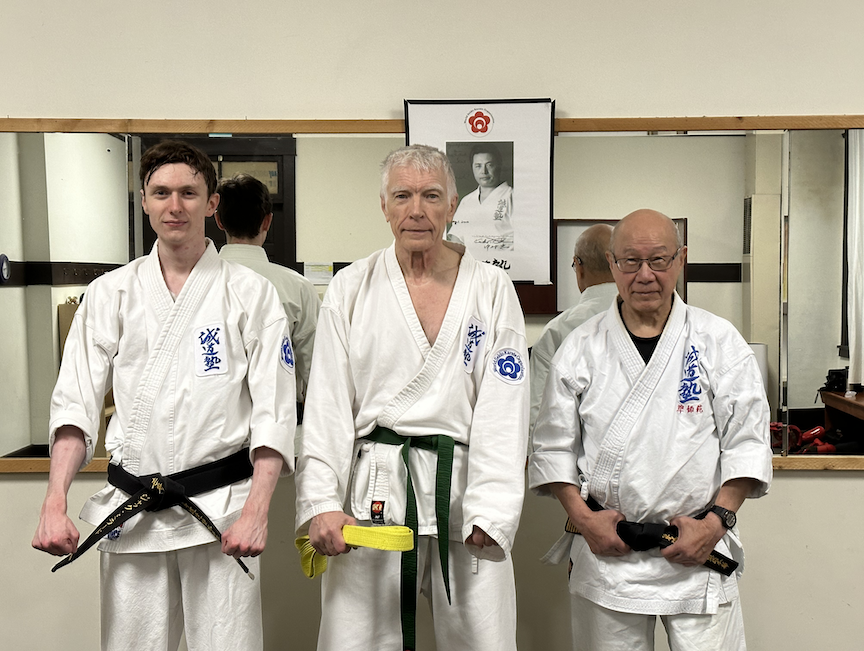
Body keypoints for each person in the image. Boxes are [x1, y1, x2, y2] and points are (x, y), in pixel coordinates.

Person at [32, 140, 296, 651]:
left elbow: (274, 412)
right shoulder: (110, 292)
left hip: (221, 510)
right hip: (135, 509)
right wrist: (54, 500)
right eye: (161, 193)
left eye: (189, 193)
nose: (175, 206)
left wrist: (257, 510)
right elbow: (74, 406)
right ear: (144, 201)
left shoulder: (250, 293)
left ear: (212, 203)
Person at [295, 144, 529, 651]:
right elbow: (328, 407)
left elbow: (504, 410)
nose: (416, 210)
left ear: (453, 205)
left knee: (482, 642)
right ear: (384, 206)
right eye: (402, 196)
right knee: (355, 642)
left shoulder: (491, 289)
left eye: (431, 196)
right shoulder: (350, 287)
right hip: (374, 493)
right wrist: (321, 502)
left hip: (464, 494)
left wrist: (493, 508)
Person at [528, 209, 772, 651]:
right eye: (630, 261)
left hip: (698, 546)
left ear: (680, 259)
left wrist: (716, 523)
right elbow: (552, 448)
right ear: (612, 263)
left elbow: (748, 442)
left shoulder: (718, 340)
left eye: (658, 260)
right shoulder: (579, 347)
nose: (645, 275)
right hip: (609, 551)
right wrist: (585, 521)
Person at [216, 172, 321, 406]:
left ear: (219, 220)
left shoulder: (195, 283)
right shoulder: (298, 288)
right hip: (282, 418)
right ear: (267, 221)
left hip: (211, 420)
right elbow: (317, 370)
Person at [529, 223, 618, 431]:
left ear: (578, 265)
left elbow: (538, 410)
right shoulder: (646, 318)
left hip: (572, 445)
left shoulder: (559, 330)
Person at [447, 143, 513, 251]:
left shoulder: (511, 196)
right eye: (478, 166)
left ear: (499, 165)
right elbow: (456, 238)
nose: (484, 171)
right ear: (472, 168)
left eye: (489, 165)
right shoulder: (466, 201)